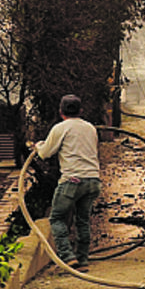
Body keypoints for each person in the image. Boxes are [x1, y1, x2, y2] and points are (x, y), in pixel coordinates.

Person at [34, 94, 101, 273]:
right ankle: (83, 259)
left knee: (56, 218)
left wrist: (39, 146)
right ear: (81, 111)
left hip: (72, 181)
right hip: (93, 180)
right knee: (83, 219)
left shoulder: (60, 128)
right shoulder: (90, 128)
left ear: (61, 111)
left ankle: (67, 257)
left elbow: (45, 153)